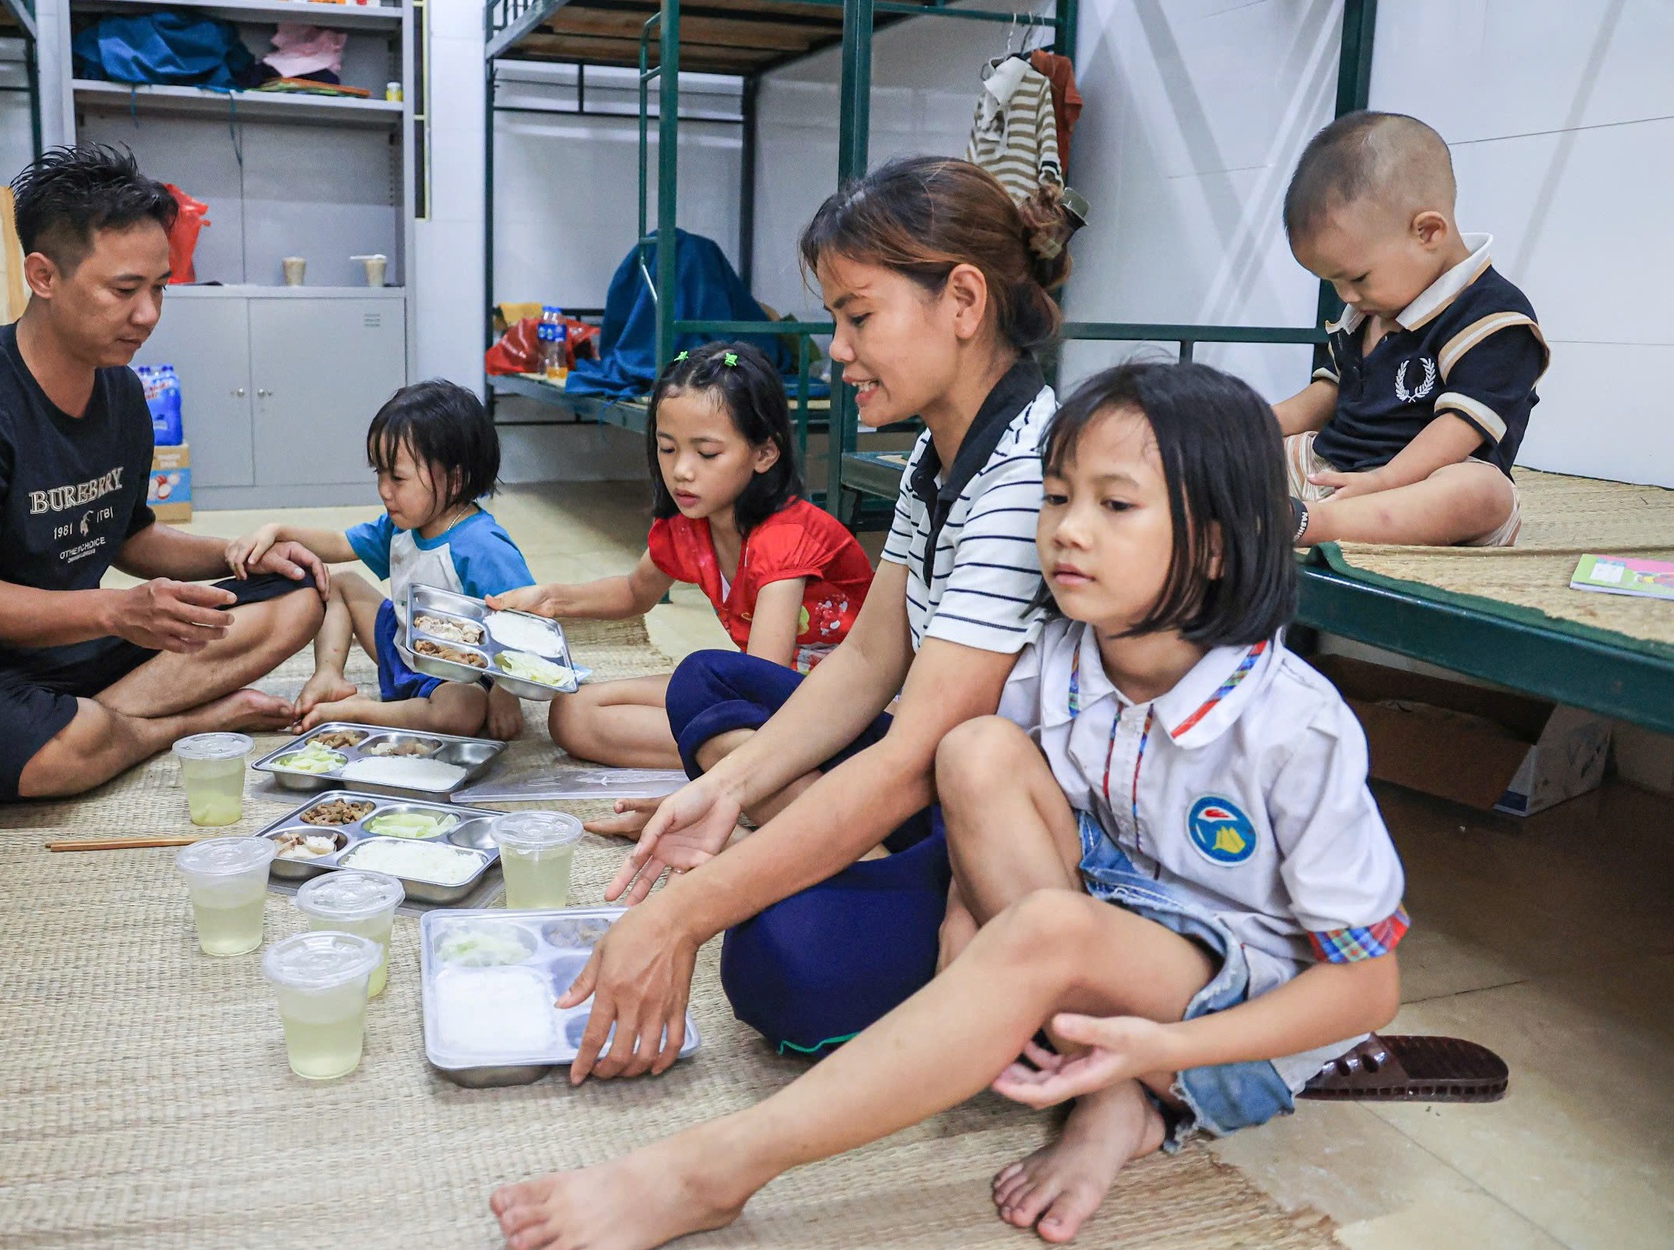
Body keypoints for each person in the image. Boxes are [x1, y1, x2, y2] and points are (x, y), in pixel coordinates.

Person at [491, 361, 1410, 1250]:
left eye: (1115, 505)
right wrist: (963, 951)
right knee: (973, 750)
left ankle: (715, 1170)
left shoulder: (1294, 727)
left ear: (1214, 543)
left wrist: (1150, 1048)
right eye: (1058, 498)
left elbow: (1366, 988)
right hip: (1100, 930)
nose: (1067, 530)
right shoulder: (1057, 662)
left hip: (1227, 1009)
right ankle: (1108, 1095)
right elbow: (971, 813)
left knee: (1037, 927)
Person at [547, 155, 1080, 1075]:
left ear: (962, 301)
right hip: (935, 774)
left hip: (1001, 822)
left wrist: (683, 914)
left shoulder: (1025, 476)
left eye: (858, 316)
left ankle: (918, 904)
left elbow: (912, 759)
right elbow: (868, 661)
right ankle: (826, 842)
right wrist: (726, 790)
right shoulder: (936, 459)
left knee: (777, 962)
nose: (836, 349)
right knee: (706, 680)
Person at [0, 145, 326, 803]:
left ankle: (104, 725)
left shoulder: (121, 392)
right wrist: (117, 611)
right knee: (57, 755)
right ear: (43, 276)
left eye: (159, 288)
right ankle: (179, 722)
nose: (148, 314)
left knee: (298, 597)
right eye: (124, 290)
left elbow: (130, 537)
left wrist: (239, 555)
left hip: (74, 648)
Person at [488, 343, 872, 781]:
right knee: (572, 713)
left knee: (705, 685)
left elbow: (762, 678)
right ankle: (737, 758)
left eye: (706, 453)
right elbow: (634, 592)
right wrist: (549, 600)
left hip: (830, 703)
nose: (681, 471)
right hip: (757, 696)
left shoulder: (786, 536)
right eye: (667, 448)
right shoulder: (689, 525)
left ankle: (762, 766)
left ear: (764, 454)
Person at [1273, 111, 1548, 547]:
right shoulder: (1370, 307)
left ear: (1428, 232)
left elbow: (1459, 427)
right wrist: (1255, 426)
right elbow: (1331, 390)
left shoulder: (1495, 318)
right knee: (1231, 454)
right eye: (1333, 282)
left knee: (1484, 493)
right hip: (1329, 470)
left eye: (1357, 278)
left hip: (1416, 488)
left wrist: (1384, 480)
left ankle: (1311, 523)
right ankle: (1238, 510)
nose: (1345, 295)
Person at [226, 380, 531, 739]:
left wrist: (506, 692)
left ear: (454, 479)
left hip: (457, 677)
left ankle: (360, 712)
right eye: (379, 474)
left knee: (462, 712)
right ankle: (328, 675)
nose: (383, 490)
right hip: (401, 646)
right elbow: (339, 543)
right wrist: (277, 530)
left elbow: (526, 622)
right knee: (339, 584)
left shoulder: (481, 544)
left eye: (397, 478)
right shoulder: (402, 525)